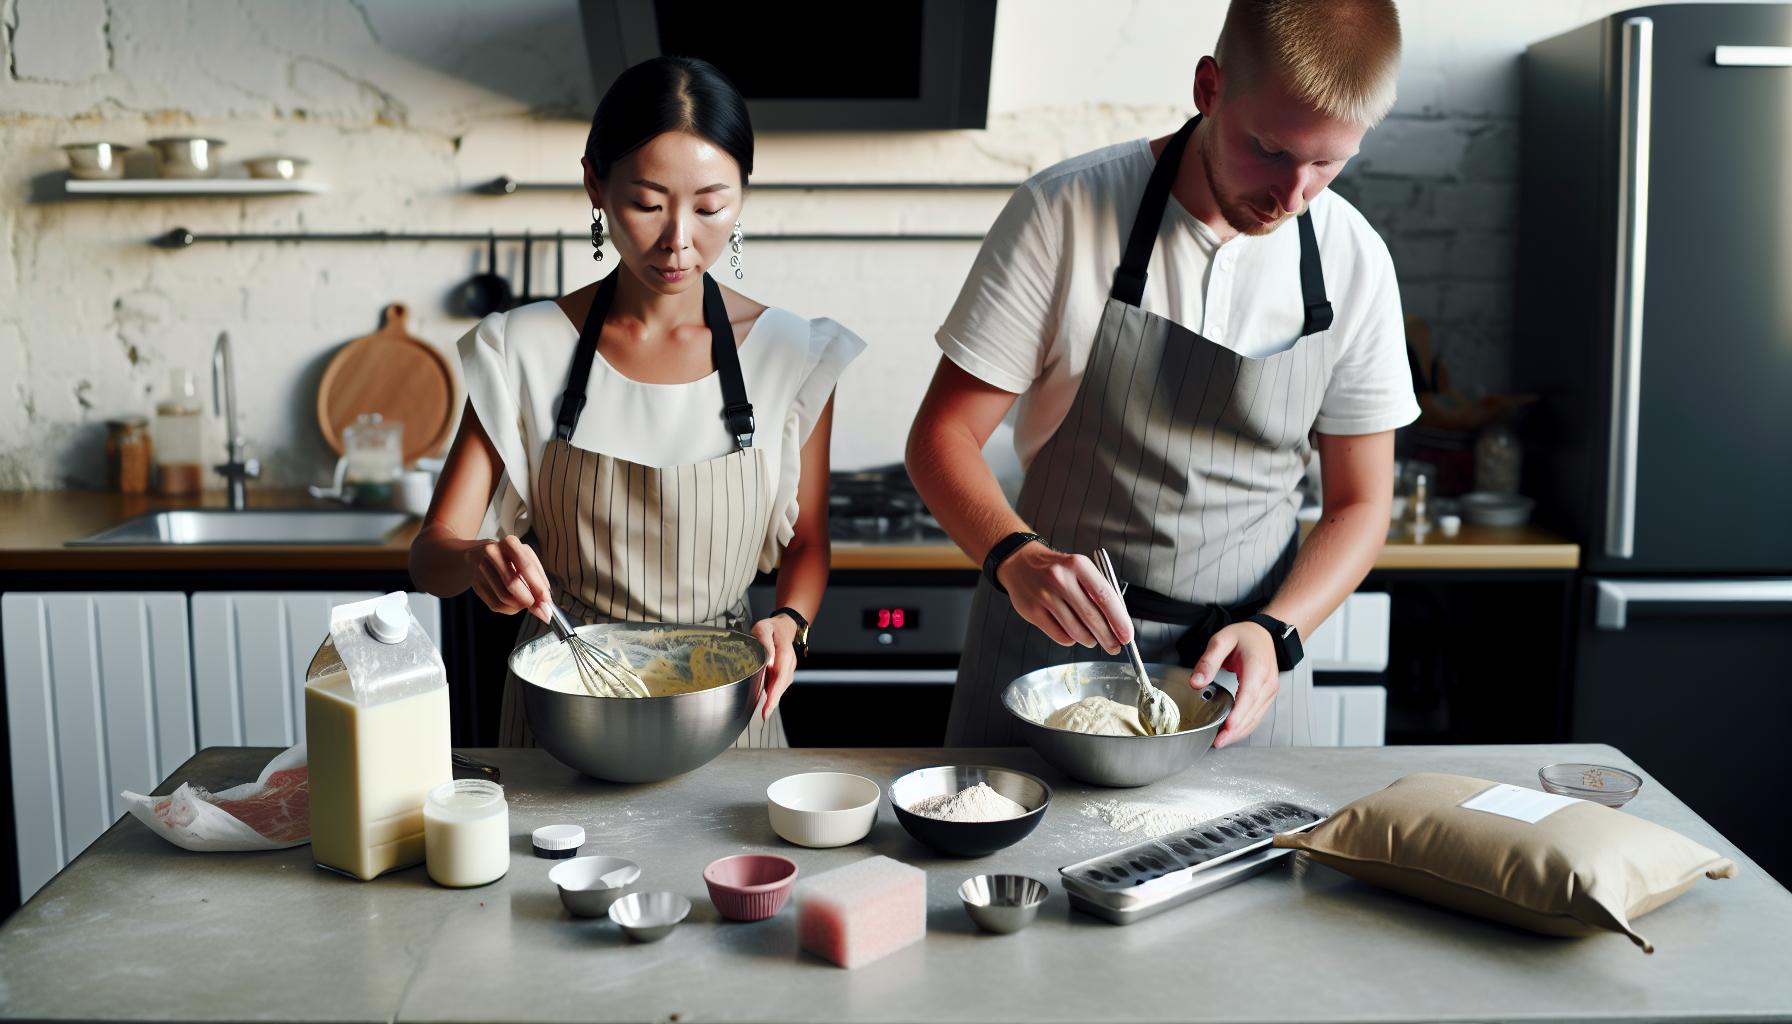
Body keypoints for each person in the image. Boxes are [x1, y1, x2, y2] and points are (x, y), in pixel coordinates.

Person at [906, 0, 1416, 749]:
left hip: (1247, 676)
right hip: (1057, 662)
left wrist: (1280, 631)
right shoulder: (1062, 214)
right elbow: (942, 436)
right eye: (1270, 150)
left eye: (1329, 163)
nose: (1293, 195)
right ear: (1209, 88)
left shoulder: (1354, 257)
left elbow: (1362, 500)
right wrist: (1017, 558)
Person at [412, 56, 864, 746]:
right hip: (564, 704)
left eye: (711, 206)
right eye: (647, 204)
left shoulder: (791, 355)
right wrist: (477, 561)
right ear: (595, 184)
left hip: (725, 710)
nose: (679, 240)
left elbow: (807, 543)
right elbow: (430, 554)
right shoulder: (522, 348)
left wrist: (793, 625)